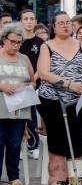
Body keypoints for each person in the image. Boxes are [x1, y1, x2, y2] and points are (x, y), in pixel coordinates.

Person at [37, 11, 82, 185]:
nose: (65, 25)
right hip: (53, 99)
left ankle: (77, 177)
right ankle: (57, 177)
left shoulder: (80, 45)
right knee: (58, 137)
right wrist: (69, 84)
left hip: (80, 99)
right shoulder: (47, 46)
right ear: (54, 27)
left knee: (78, 137)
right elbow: (44, 73)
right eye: (61, 23)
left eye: (68, 22)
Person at [0, 23, 35, 185]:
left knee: (14, 145)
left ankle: (14, 177)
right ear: (4, 39)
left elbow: (33, 80)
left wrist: (27, 84)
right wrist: (2, 86)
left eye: (19, 42)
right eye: (12, 41)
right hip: (1, 108)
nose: (15, 45)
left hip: (19, 109)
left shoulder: (24, 58)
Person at [19, 9, 43, 159]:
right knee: (19, 117)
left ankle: (33, 145)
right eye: (26, 18)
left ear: (35, 21)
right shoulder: (16, 40)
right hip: (18, 84)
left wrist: (32, 81)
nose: (29, 21)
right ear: (21, 21)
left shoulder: (41, 43)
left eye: (31, 18)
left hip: (35, 86)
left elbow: (42, 65)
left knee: (32, 116)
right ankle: (21, 146)